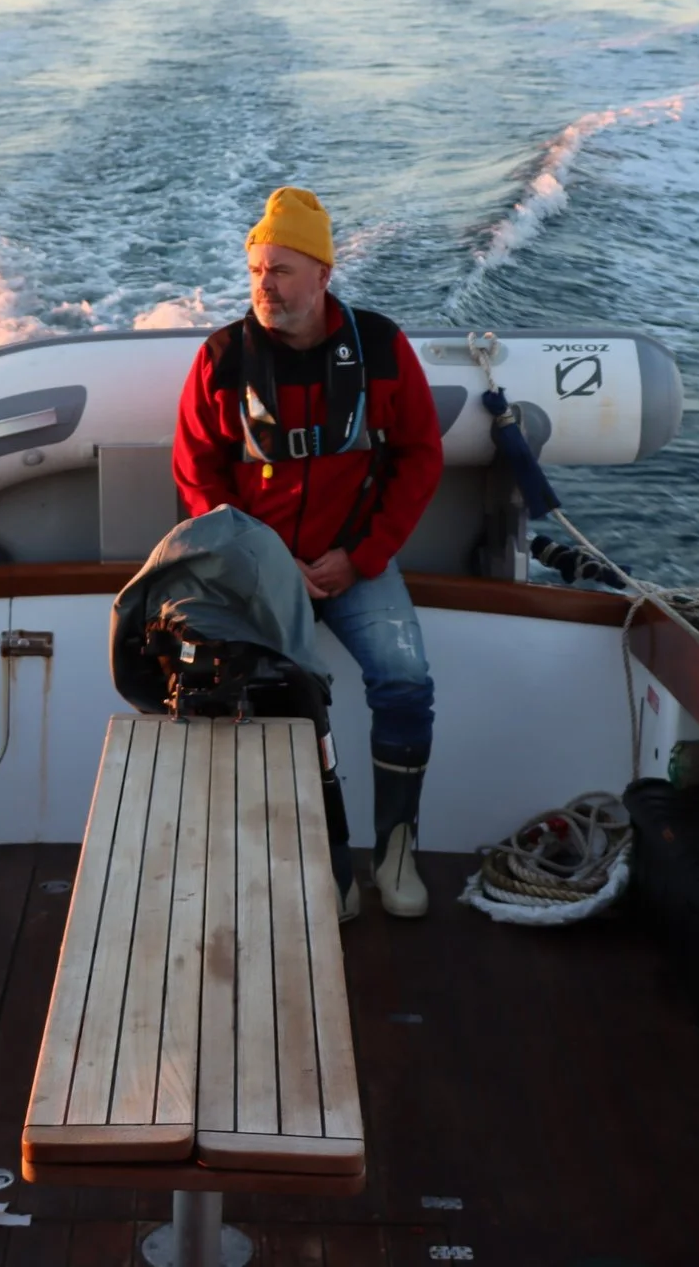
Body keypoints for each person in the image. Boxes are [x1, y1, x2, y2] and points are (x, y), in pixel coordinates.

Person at [172, 187, 446, 920]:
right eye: (258, 269)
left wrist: (361, 556)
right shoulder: (222, 359)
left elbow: (420, 456)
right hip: (258, 570)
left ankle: (395, 850)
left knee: (405, 678)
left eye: (282, 270)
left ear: (323, 275)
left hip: (354, 561)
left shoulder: (383, 350)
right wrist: (261, 562)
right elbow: (197, 473)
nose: (264, 284)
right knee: (266, 696)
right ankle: (323, 859)